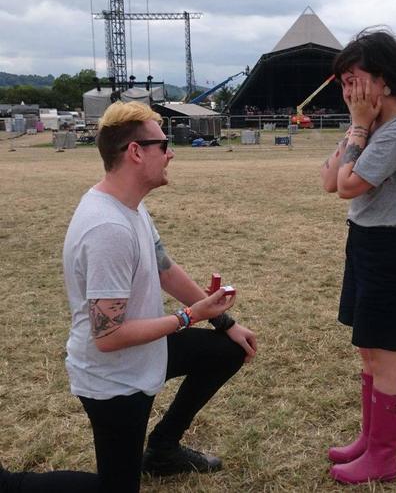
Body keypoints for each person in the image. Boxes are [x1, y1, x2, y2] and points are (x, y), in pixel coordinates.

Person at [62, 101, 257, 493]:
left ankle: (164, 449)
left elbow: (165, 268)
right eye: (163, 144)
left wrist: (225, 321)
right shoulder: (107, 227)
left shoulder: (130, 207)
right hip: (113, 378)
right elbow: (108, 337)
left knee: (228, 350)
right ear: (136, 152)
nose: (171, 153)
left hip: (144, 354)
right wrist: (190, 316)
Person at [320, 28, 396, 484]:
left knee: (386, 356)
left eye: (355, 79)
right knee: (369, 351)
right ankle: (371, 439)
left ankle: (383, 457)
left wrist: (358, 128)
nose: (349, 91)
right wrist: (359, 126)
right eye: (344, 83)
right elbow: (329, 181)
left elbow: (348, 185)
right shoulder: (373, 127)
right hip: (368, 243)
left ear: (384, 81)